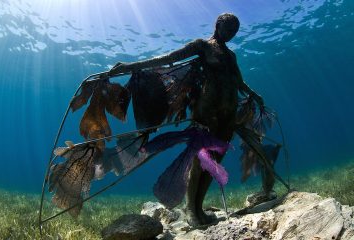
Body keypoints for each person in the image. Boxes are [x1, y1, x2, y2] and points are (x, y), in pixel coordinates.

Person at [109, 13, 276, 226]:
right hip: (207, 113)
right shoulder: (203, 46)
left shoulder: (231, 55)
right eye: (229, 28)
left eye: (235, 30)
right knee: (201, 161)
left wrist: (254, 94)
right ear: (217, 25)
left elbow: (238, 81)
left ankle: (199, 206)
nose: (232, 33)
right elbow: (169, 58)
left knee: (213, 163)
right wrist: (130, 66)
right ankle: (192, 211)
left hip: (228, 115)